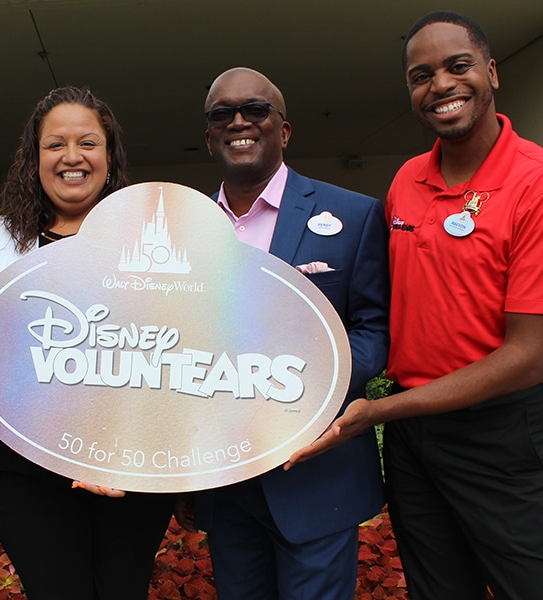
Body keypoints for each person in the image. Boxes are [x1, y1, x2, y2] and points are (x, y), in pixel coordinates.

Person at [291, 11, 543, 600]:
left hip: (500, 432)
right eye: (421, 75)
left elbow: (529, 357)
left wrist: (380, 412)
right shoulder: (407, 180)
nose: (441, 85)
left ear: (491, 72)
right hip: (414, 436)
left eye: (458, 66)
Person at [0, 86, 175, 599]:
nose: (72, 157)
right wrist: (21, 347)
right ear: (34, 157)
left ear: (110, 156)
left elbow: (185, 348)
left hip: (130, 462)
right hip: (26, 463)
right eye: (55, 144)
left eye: (87, 143)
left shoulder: (154, 242)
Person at [174, 67, 390, 600]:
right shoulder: (182, 229)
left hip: (316, 473)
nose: (239, 122)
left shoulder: (354, 214)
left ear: (284, 130)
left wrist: (297, 388)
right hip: (222, 479)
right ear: (209, 138)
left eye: (255, 110)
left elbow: (375, 330)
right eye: (222, 115)